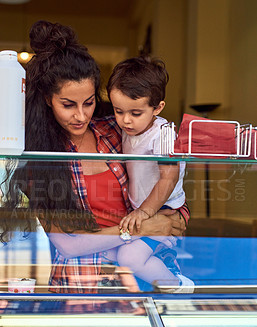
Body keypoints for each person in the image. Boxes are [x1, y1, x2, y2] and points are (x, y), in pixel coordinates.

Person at [1, 20, 189, 294]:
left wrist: (177, 215)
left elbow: (165, 179)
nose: (81, 115)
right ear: (46, 99)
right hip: (79, 287)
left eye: (88, 102)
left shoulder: (117, 131)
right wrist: (146, 226)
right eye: (68, 105)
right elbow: (69, 245)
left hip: (136, 283)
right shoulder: (40, 157)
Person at [105, 56, 192, 289]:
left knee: (128, 258)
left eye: (135, 113)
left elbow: (169, 177)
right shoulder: (129, 127)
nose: (125, 120)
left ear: (157, 108)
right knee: (109, 253)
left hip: (165, 210)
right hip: (140, 210)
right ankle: (166, 267)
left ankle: (178, 286)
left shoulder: (162, 134)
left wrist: (145, 212)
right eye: (118, 111)